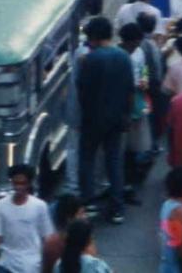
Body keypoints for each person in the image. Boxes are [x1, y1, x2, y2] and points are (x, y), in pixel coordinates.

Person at [77, 16, 134, 224]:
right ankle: (117, 208)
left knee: (87, 160)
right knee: (114, 161)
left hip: (93, 119)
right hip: (117, 118)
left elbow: (82, 91)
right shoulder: (124, 57)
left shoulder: (90, 60)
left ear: (93, 37)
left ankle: (89, 203)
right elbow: (130, 90)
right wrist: (126, 115)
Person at [0, 164, 53, 271]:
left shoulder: (40, 206)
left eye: (22, 183)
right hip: (6, 263)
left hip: (30, 265)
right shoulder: (1, 204)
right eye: (16, 183)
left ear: (28, 184)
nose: (19, 187)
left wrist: (50, 261)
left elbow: (47, 236)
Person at [42, 194, 85, 273]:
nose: (84, 217)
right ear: (69, 219)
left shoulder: (51, 242)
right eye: (81, 214)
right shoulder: (53, 244)